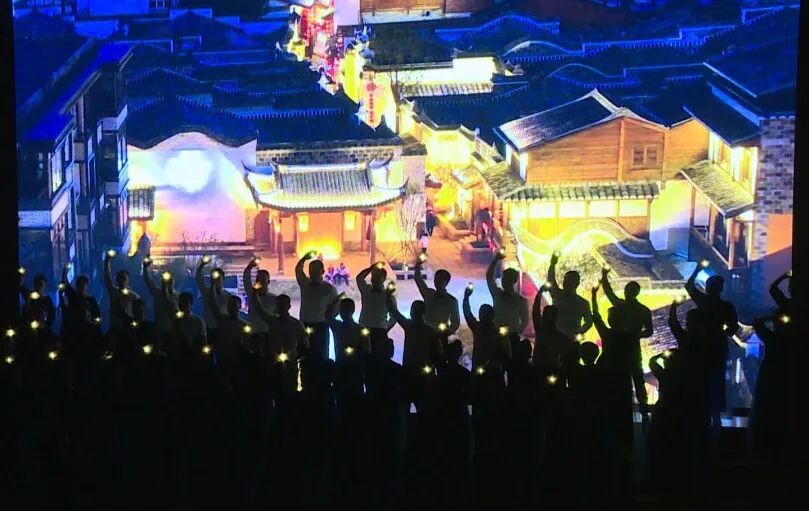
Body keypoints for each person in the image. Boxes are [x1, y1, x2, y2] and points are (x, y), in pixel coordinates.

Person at [685, 262, 738, 440]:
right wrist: (722, 333)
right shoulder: (726, 307)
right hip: (715, 347)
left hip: (703, 347)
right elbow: (733, 327)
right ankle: (714, 418)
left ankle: (707, 417)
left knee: (704, 380)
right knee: (714, 381)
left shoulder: (704, 301)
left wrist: (698, 269)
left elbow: (689, 286)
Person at [600, 267, 650, 414]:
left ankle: (643, 408)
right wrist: (604, 276)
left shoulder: (641, 310)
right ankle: (631, 407)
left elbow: (649, 331)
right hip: (622, 343)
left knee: (637, 377)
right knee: (627, 376)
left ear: (635, 293)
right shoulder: (623, 305)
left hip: (630, 344)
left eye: (630, 290)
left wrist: (635, 335)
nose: (627, 292)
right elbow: (608, 291)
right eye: (627, 290)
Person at [386, 291, 442, 412]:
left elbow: (395, 312)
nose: (413, 313)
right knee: (422, 408)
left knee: (411, 408)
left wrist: (388, 296)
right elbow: (438, 354)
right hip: (420, 374)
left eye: (415, 310)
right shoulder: (429, 330)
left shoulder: (412, 327)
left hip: (413, 373)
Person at [295, 251, 338, 360]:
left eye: (315, 269)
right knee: (303, 356)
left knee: (321, 355)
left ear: (322, 271)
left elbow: (336, 308)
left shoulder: (329, 289)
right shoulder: (305, 283)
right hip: (304, 325)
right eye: (310, 269)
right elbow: (298, 270)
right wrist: (304, 258)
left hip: (321, 326)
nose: (311, 271)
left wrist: (328, 317)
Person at [547, 251, 592, 339]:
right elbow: (551, 279)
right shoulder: (558, 294)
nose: (566, 282)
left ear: (577, 283)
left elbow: (589, 322)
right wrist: (552, 265)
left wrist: (579, 332)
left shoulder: (583, 303)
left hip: (570, 340)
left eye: (569, 280)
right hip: (554, 338)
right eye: (565, 280)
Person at [414, 255, 460, 336]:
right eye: (436, 279)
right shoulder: (428, 294)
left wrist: (446, 333)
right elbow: (419, 280)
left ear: (446, 282)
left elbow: (455, 323)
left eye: (441, 280)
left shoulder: (452, 301)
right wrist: (418, 264)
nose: (437, 282)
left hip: (440, 334)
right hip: (426, 333)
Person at [486, 250, 529, 335]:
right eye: (503, 278)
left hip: (511, 336)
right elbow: (489, 277)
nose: (504, 281)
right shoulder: (497, 294)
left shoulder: (520, 301)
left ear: (513, 281)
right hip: (497, 335)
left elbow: (524, 322)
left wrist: (515, 332)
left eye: (506, 279)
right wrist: (495, 259)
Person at [243, 257, 276, 355]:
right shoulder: (252, 294)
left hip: (268, 335)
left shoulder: (274, 299)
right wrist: (249, 267)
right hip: (253, 334)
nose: (260, 281)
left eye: (263, 279)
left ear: (268, 281)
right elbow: (246, 280)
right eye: (258, 279)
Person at [143, 260, 179, 347]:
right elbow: (149, 282)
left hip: (172, 331)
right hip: (159, 331)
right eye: (168, 280)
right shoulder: (158, 293)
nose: (169, 282)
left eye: (171, 280)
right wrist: (145, 268)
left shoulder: (178, 296)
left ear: (174, 281)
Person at [104, 250, 140, 339]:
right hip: (114, 330)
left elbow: (139, 314)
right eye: (120, 278)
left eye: (124, 278)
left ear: (128, 281)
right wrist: (107, 261)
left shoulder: (134, 296)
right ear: (116, 280)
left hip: (127, 330)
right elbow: (107, 277)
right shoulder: (114, 292)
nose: (121, 280)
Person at [197, 257, 232, 344]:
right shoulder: (206, 292)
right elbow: (199, 279)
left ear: (223, 279)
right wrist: (201, 266)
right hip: (207, 328)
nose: (216, 280)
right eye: (213, 278)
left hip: (222, 329)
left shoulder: (228, 296)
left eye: (218, 278)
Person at [356, 263, 394, 332]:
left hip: (379, 330)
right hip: (364, 327)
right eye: (373, 277)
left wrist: (385, 328)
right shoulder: (366, 289)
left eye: (378, 277)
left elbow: (394, 316)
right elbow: (359, 278)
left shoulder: (388, 295)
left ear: (384, 279)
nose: (374, 279)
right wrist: (371, 268)